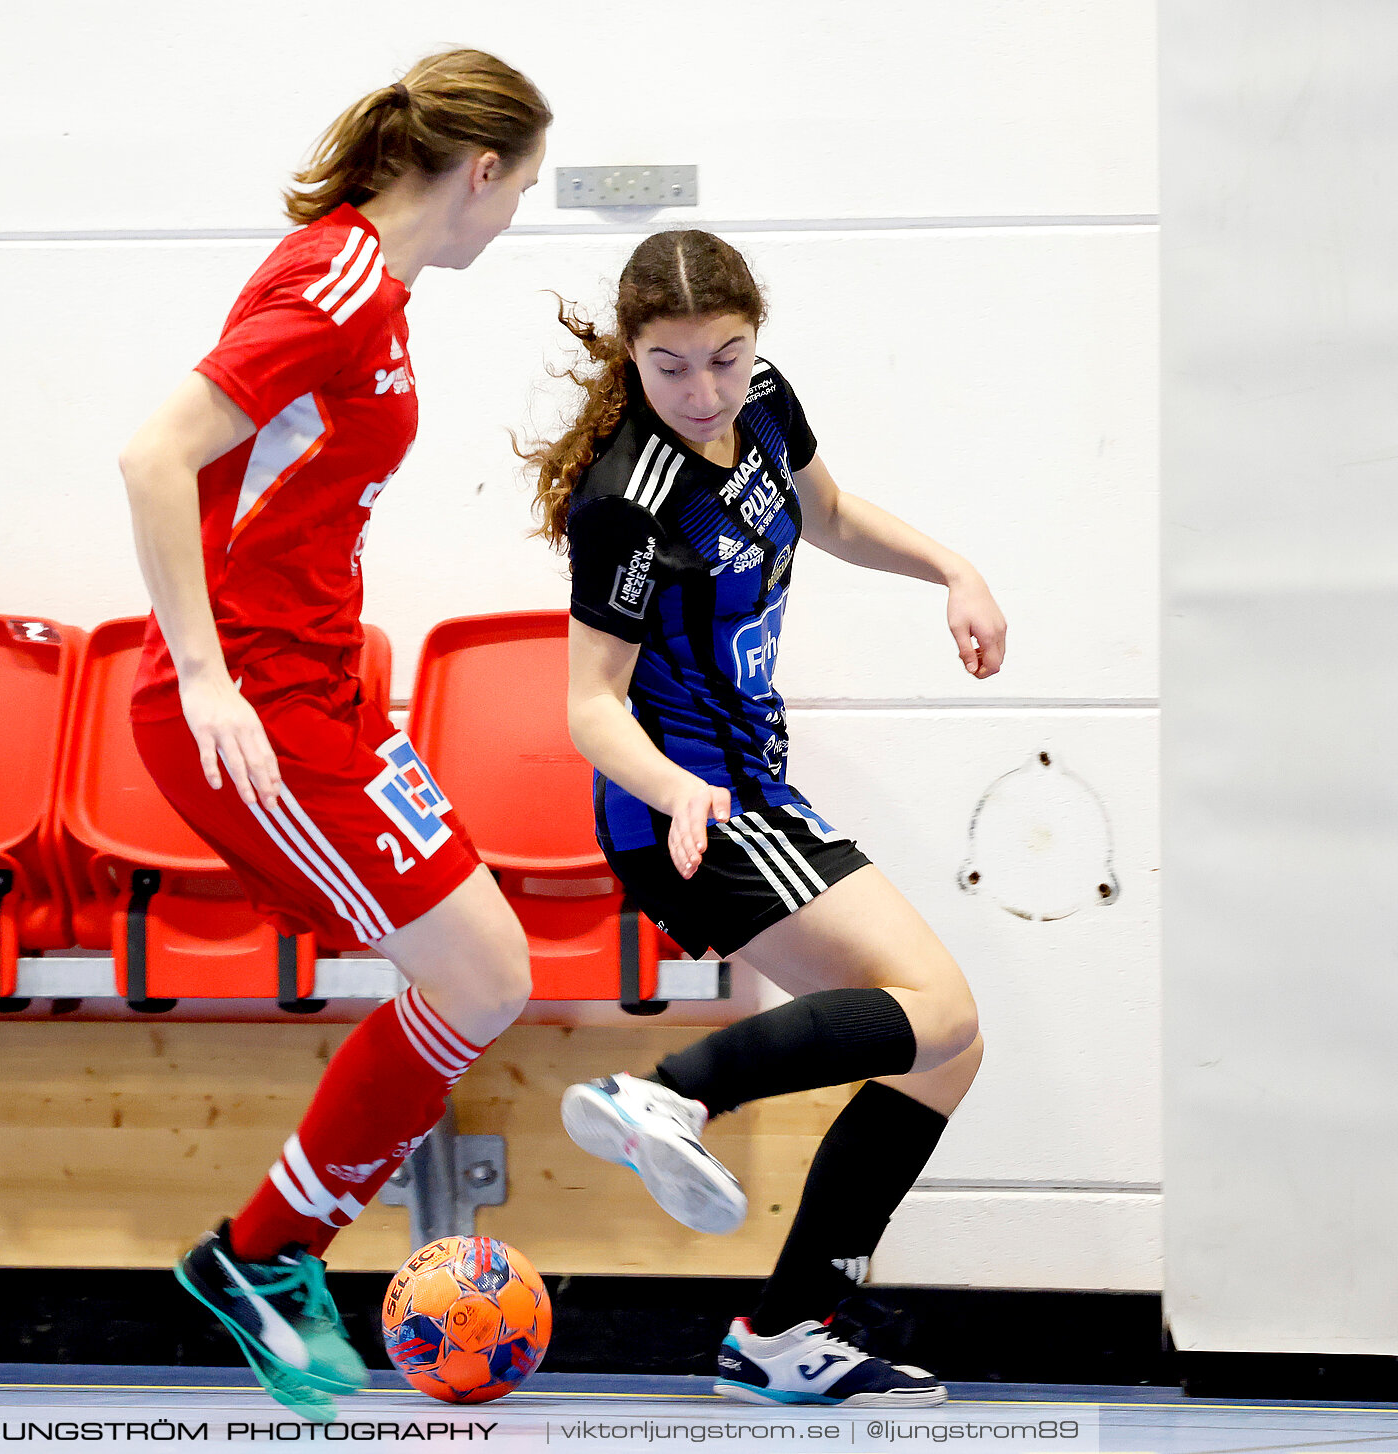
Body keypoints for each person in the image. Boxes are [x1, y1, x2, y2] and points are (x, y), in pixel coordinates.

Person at [119, 51, 551, 1421]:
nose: (515, 218)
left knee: (488, 971)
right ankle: (263, 1254)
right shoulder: (339, 283)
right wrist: (203, 675)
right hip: (258, 706)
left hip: (328, 692)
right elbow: (154, 455)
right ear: (478, 173)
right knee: (481, 971)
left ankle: (262, 1250)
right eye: (521, 190)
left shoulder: (377, 286)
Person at [525, 229, 1006, 1407]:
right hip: (682, 811)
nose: (704, 391)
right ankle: (678, 1090)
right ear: (631, 355)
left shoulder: (767, 407)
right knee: (939, 1007)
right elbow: (589, 703)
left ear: (757, 342)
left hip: (760, 790)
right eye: (671, 366)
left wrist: (956, 569)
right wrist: (678, 786)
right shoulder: (629, 504)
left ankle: (785, 1328)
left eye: (727, 358)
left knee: (947, 1048)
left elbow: (828, 514)